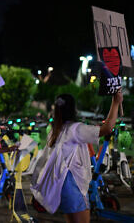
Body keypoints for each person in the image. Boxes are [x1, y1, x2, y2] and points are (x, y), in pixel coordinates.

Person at [35, 92, 122, 223]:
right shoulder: (75, 129)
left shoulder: (55, 130)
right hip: (74, 185)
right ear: (73, 109)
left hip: (62, 185)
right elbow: (108, 128)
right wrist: (115, 102)